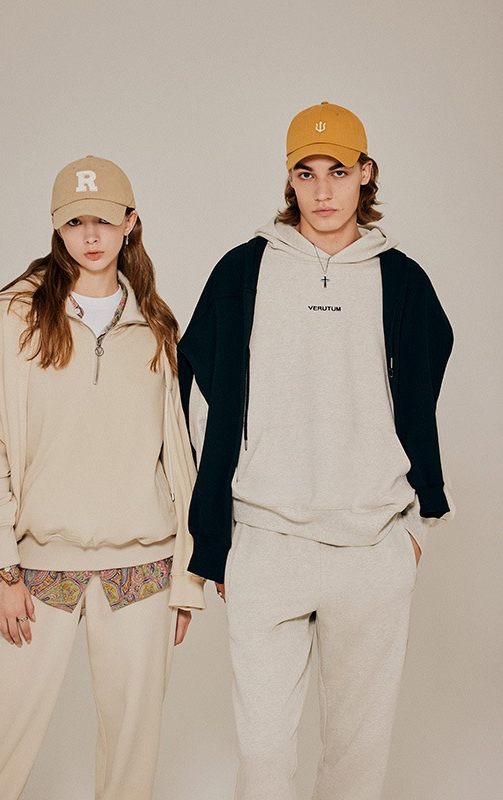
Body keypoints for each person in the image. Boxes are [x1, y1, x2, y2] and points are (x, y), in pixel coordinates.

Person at [178, 102, 453, 800]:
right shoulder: (243, 271)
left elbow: (419, 397)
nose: (323, 190)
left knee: (356, 762)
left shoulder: (401, 280)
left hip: (372, 548)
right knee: (263, 758)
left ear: (365, 173)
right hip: (267, 544)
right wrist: (217, 536)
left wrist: (414, 527)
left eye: (338, 171)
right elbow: (197, 395)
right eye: (306, 173)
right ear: (289, 179)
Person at [0, 155, 205, 800]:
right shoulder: (17, 318)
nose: (90, 236)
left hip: (143, 568)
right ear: (57, 228)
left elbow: (178, 459)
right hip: (36, 567)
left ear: (130, 222)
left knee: (131, 762)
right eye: (73, 222)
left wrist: (187, 576)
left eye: (104, 220)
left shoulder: (157, 327)